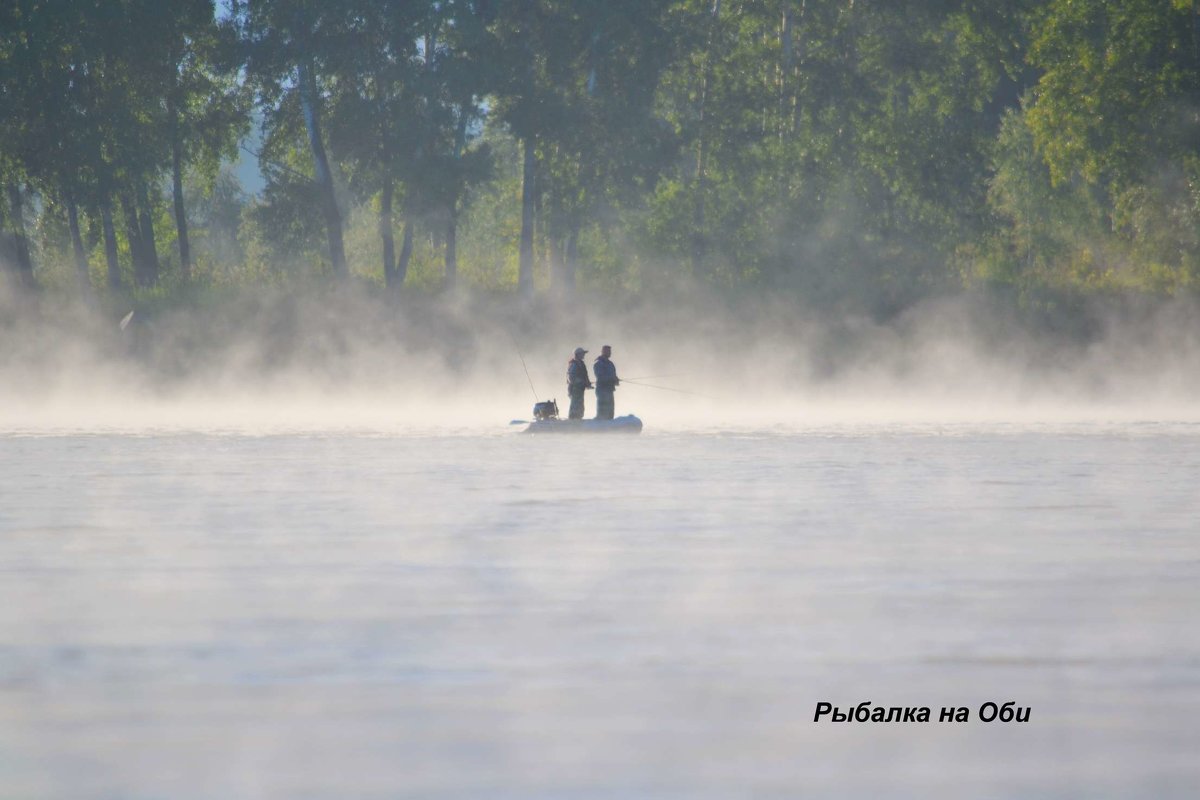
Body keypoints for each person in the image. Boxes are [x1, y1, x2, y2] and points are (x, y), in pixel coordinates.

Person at [592, 344, 620, 420]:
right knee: (602, 411)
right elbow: (600, 376)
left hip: (610, 390)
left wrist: (616, 380)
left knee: (610, 412)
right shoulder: (598, 363)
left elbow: (613, 375)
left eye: (610, 351)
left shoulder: (611, 364)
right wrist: (611, 379)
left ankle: (609, 426)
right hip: (602, 390)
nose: (609, 353)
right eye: (607, 351)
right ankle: (599, 426)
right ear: (603, 352)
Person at [566, 347, 593, 420]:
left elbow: (585, 375)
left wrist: (588, 384)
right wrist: (582, 382)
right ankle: (572, 422)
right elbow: (571, 378)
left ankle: (578, 420)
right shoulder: (573, 365)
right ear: (577, 354)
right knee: (574, 407)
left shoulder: (582, 364)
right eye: (582, 353)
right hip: (574, 390)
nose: (584, 355)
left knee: (581, 407)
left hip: (580, 390)